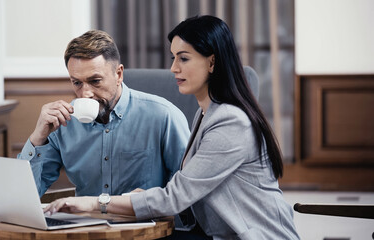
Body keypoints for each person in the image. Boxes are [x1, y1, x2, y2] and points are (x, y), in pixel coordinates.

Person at [44, 16, 300, 240]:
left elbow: (176, 197)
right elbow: (186, 195)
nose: (173, 68)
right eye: (173, 58)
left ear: (212, 63)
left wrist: (93, 203)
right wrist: (142, 198)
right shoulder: (205, 115)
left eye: (184, 58)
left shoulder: (230, 122)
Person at [17, 30, 190, 197]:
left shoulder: (163, 116)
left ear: (119, 74)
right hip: (85, 225)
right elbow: (24, 196)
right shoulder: (63, 123)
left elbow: (187, 191)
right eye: (77, 83)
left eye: (95, 81)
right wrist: (37, 138)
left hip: (144, 224)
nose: (85, 93)